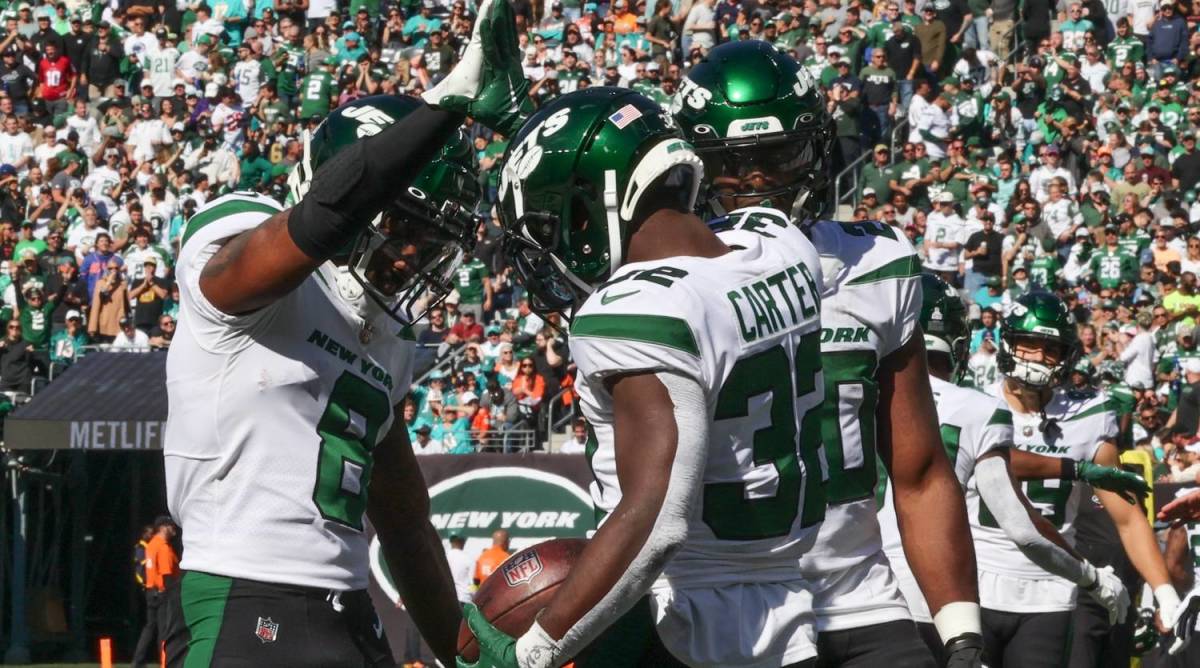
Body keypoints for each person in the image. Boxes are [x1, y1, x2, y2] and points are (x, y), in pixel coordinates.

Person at [161, 0, 530, 664]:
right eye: (404, 231)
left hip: (353, 615)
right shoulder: (247, 264)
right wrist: (444, 107)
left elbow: (405, 518)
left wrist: (459, 643)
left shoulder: (381, 337)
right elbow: (319, 221)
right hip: (239, 601)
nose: (412, 257)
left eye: (429, 243)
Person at [467, 85, 827, 668]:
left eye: (558, 220)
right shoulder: (783, 245)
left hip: (683, 626)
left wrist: (533, 650)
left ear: (597, 203)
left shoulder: (636, 312)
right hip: (789, 613)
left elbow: (659, 521)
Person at [672, 41, 985, 667]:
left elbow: (920, 471)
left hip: (855, 598)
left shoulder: (877, 267)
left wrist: (962, 633)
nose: (757, 183)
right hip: (713, 602)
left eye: (779, 158)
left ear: (815, 151)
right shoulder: (662, 283)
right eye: (735, 165)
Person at [879, 275, 1139, 662]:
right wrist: (1091, 576)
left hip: (844, 590)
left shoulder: (856, 394)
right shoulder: (976, 408)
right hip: (937, 595)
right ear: (959, 343)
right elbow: (1022, 527)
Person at [974, 291, 1178, 667]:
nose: (1036, 358)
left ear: (1066, 355)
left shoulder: (1088, 414)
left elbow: (1128, 517)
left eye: (1049, 349)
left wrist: (1163, 590)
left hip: (1050, 593)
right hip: (977, 583)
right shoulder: (975, 405)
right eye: (1028, 344)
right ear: (1007, 344)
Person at [134, 516, 181, 667]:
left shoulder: (151, 545)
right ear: (163, 527)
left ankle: (138, 661)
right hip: (163, 592)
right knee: (164, 630)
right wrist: (172, 593)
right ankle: (165, 661)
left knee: (149, 628)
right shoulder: (163, 547)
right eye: (171, 526)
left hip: (150, 591)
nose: (174, 529)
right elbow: (166, 574)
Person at [446, 534, 474, 605]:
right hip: (463, 599)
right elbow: (473, 583)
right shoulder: (469, 559)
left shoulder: (443, 557)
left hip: (446, 598)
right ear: (463, 542)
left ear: (451, 542)